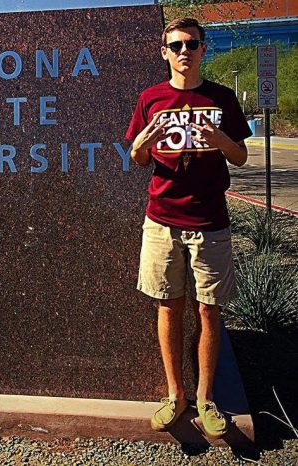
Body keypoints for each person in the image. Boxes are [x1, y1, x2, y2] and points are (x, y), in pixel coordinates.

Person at [125, 17, 252, 439]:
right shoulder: (150, 98)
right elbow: (138, 157)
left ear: (203, 49)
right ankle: (175, 394)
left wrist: (219, 139)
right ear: (164, 53)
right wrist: (141, 142)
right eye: (176, 45)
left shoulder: (222, 98)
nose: (184, 51)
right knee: (168, 306)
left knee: (209, 309)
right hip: (162, 222)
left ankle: (206, 399)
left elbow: (241, 157)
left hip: (210, 222)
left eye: (192, 44)